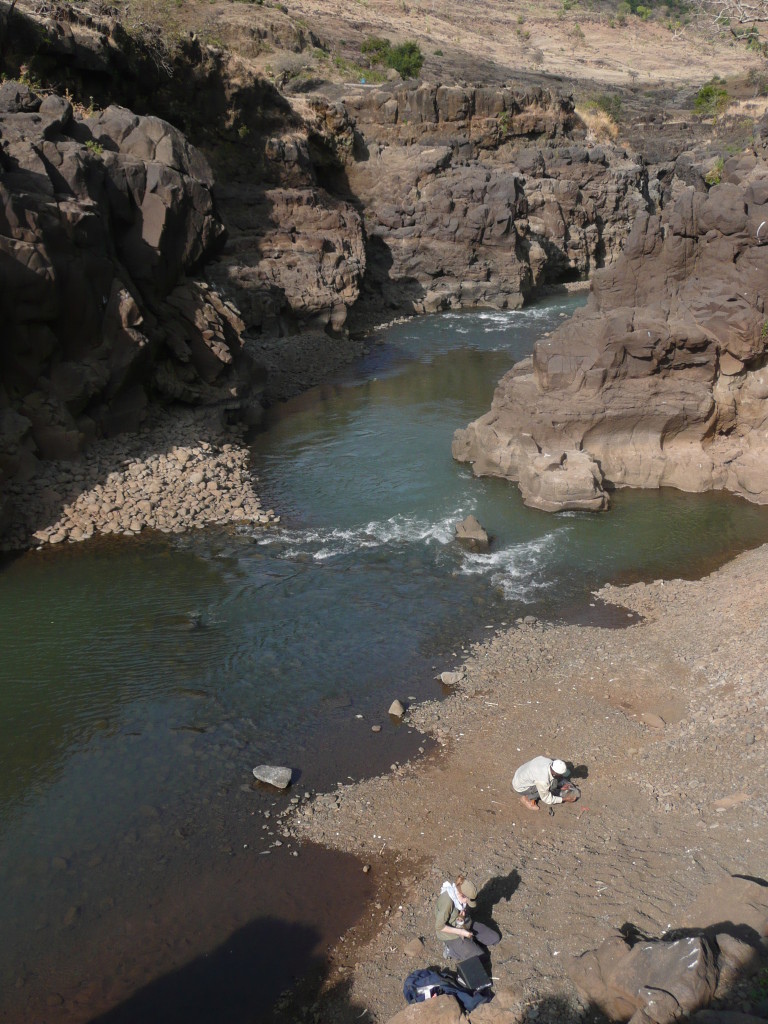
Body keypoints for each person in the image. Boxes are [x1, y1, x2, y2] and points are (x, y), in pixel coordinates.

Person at [434, 873, 500, 960]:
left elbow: (459, 914)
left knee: (495, 938)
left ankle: (471, 942)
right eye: (467, 900)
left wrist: (462, 916)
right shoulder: (447, 902)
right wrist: (461, 932)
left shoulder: (460, 897)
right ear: (461, 894)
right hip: (451, 934)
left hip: (464, 923)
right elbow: (439, 927)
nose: (467, 903)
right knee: (480, 957)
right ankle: (451, 950)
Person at [512, 756, 577, 811]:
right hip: (521, 787)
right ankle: (527, 798)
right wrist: (564, 799)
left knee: (552, 784)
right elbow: (546, 798)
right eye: (560, 775)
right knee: (549, 788)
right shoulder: (543, 780)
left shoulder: (548, 761)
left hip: (520, 775)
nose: (562, 776)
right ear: (556, 773)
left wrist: (560, 787)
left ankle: (555, 785)